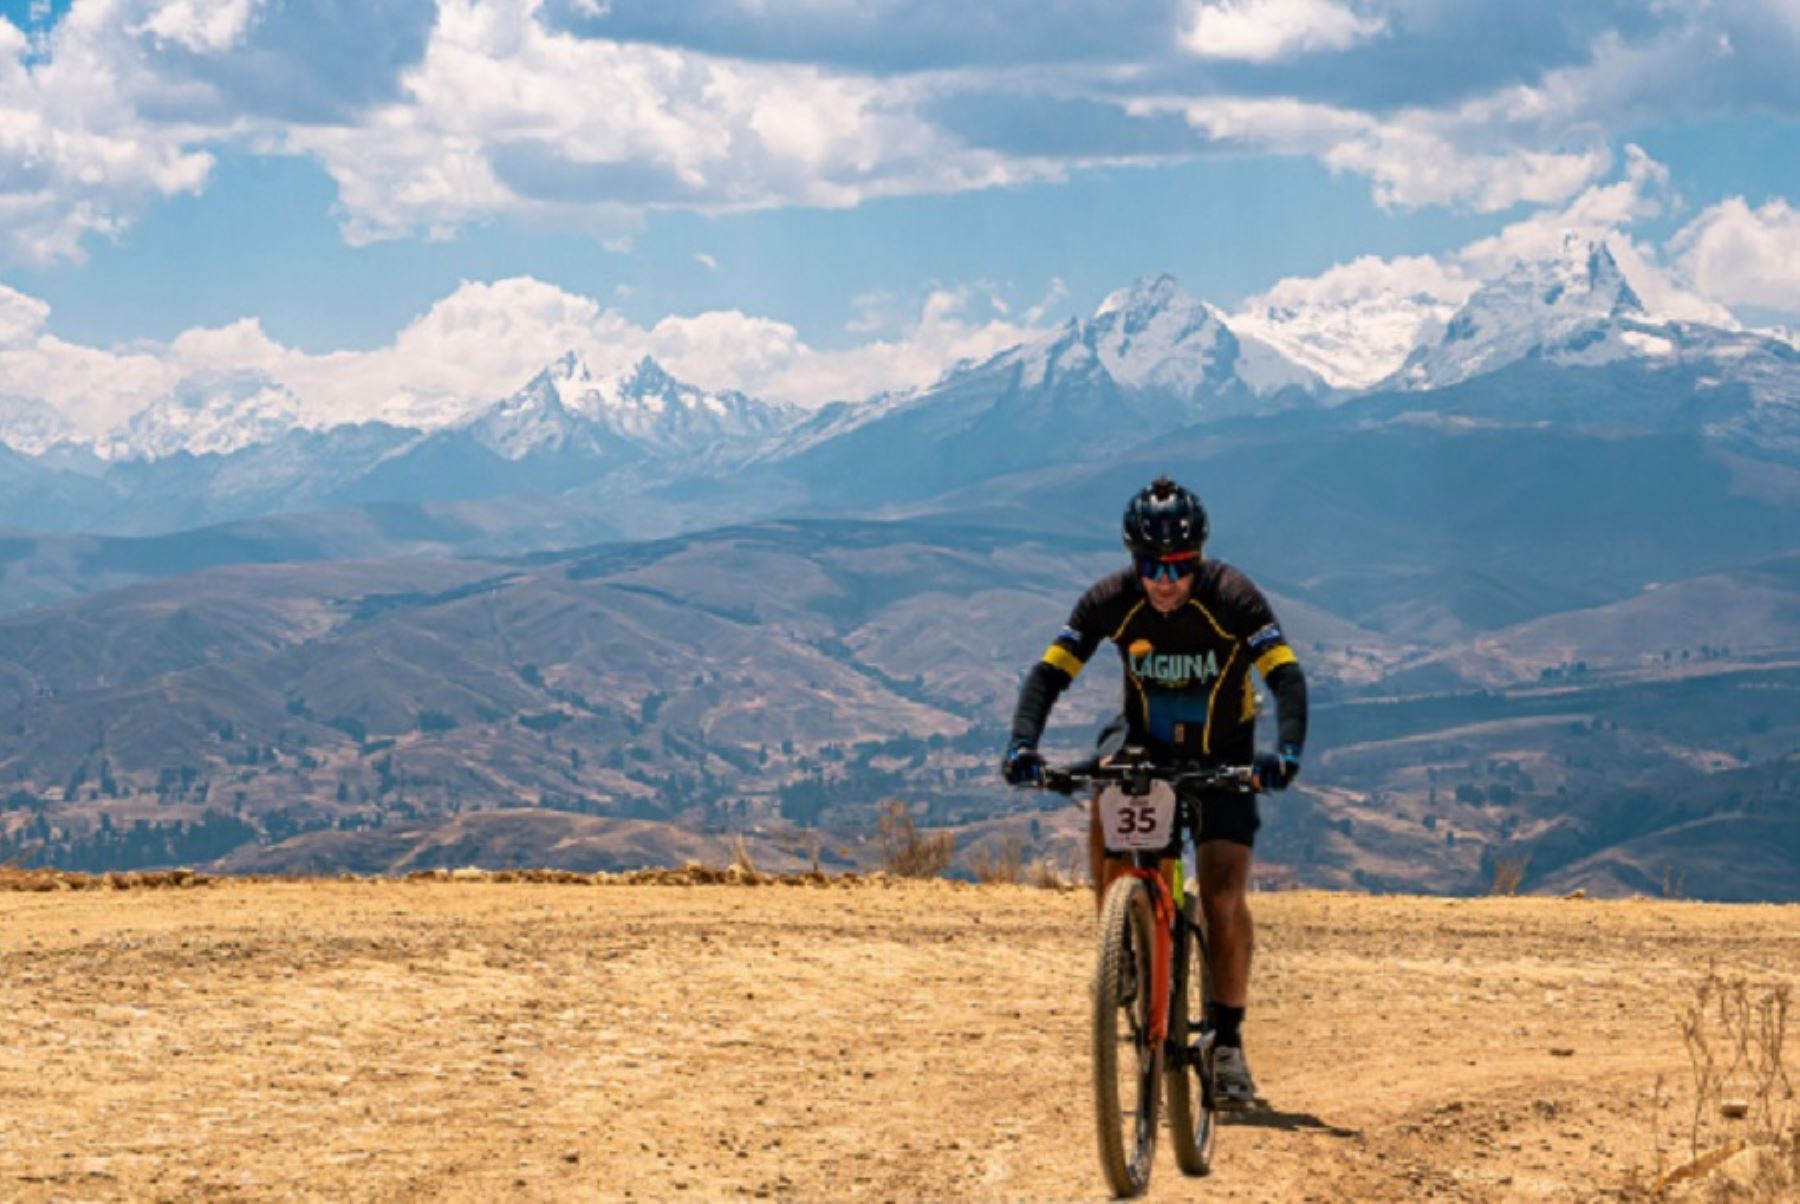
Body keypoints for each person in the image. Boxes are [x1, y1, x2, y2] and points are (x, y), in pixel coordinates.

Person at [1001, 475, 1308, 1107]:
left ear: (1199, 560)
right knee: (1104, 787)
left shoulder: (1232, 596)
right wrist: (1023, 744)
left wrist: (1286, 752)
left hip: (1224, 753)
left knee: (1222, 895)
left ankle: (1228, 1044)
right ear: (1132, 561)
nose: (1164, 581)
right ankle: (1119, 942)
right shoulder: (1112, 600)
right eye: (1150, 567)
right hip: (1147, 743)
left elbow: (1285, 675)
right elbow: (1050, 672)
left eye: (1178, 567)